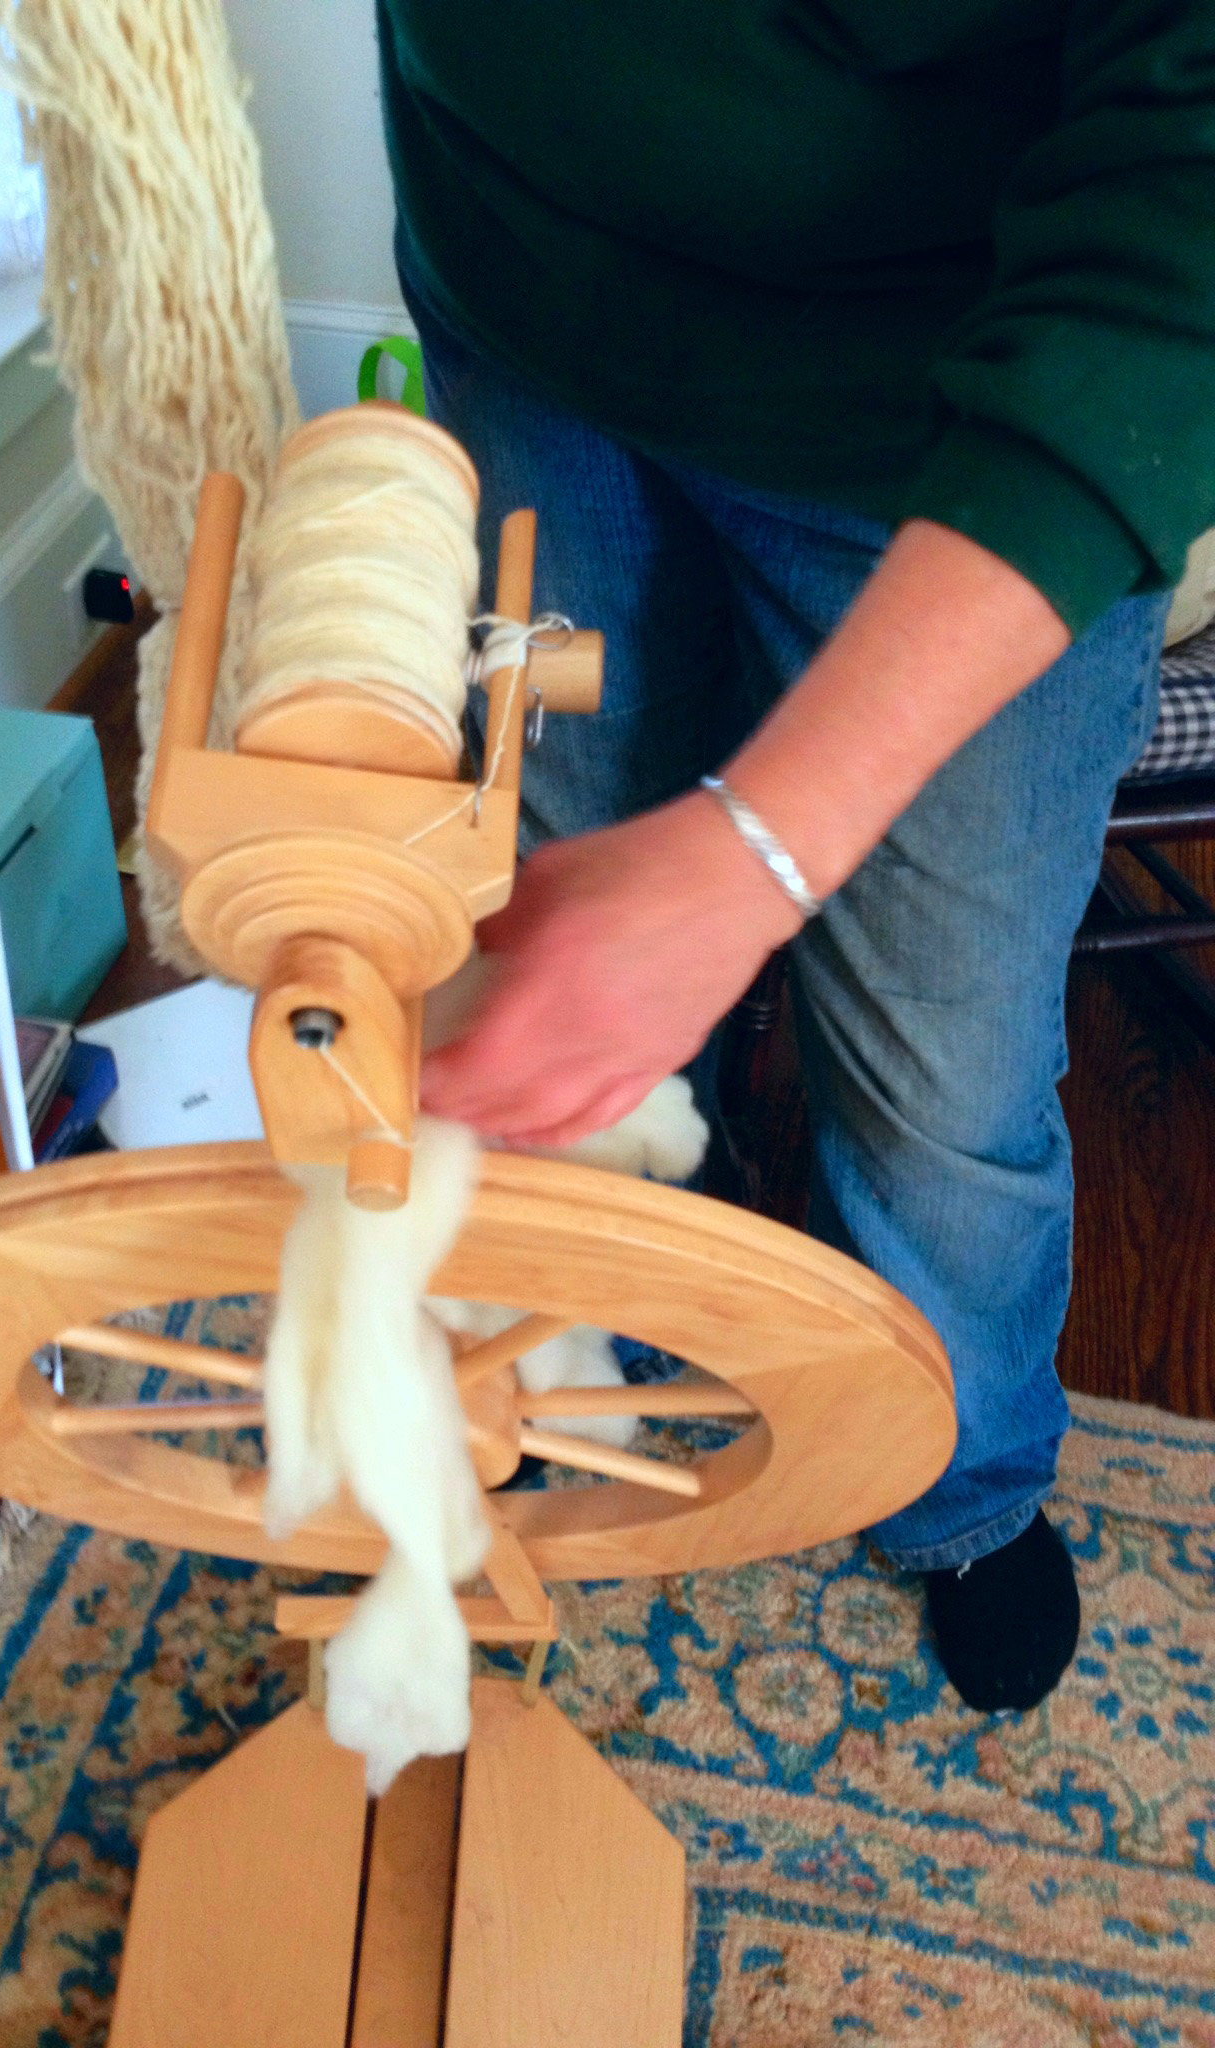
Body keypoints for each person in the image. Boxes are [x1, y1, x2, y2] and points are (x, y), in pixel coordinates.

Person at [377, 0, 1215, 1712]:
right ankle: (582, 1339)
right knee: (558, 905)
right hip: (527, 308)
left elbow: (1185, 229)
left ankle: (960, 1487)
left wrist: (756, 853)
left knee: (946, 1055)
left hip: (967, 397)